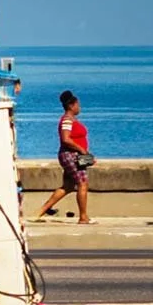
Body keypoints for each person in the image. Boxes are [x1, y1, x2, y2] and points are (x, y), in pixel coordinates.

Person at [36, 89, 94, 224]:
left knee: (68, 186)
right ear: (71, 106)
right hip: (71, 155)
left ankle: (40, 212)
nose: (79, 108)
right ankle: (83, 217)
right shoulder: (67, 120)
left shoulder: (71, 120)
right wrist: (82, 150)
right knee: (82, 184)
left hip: (74, 155)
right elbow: (66, 139)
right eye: (77, 105)